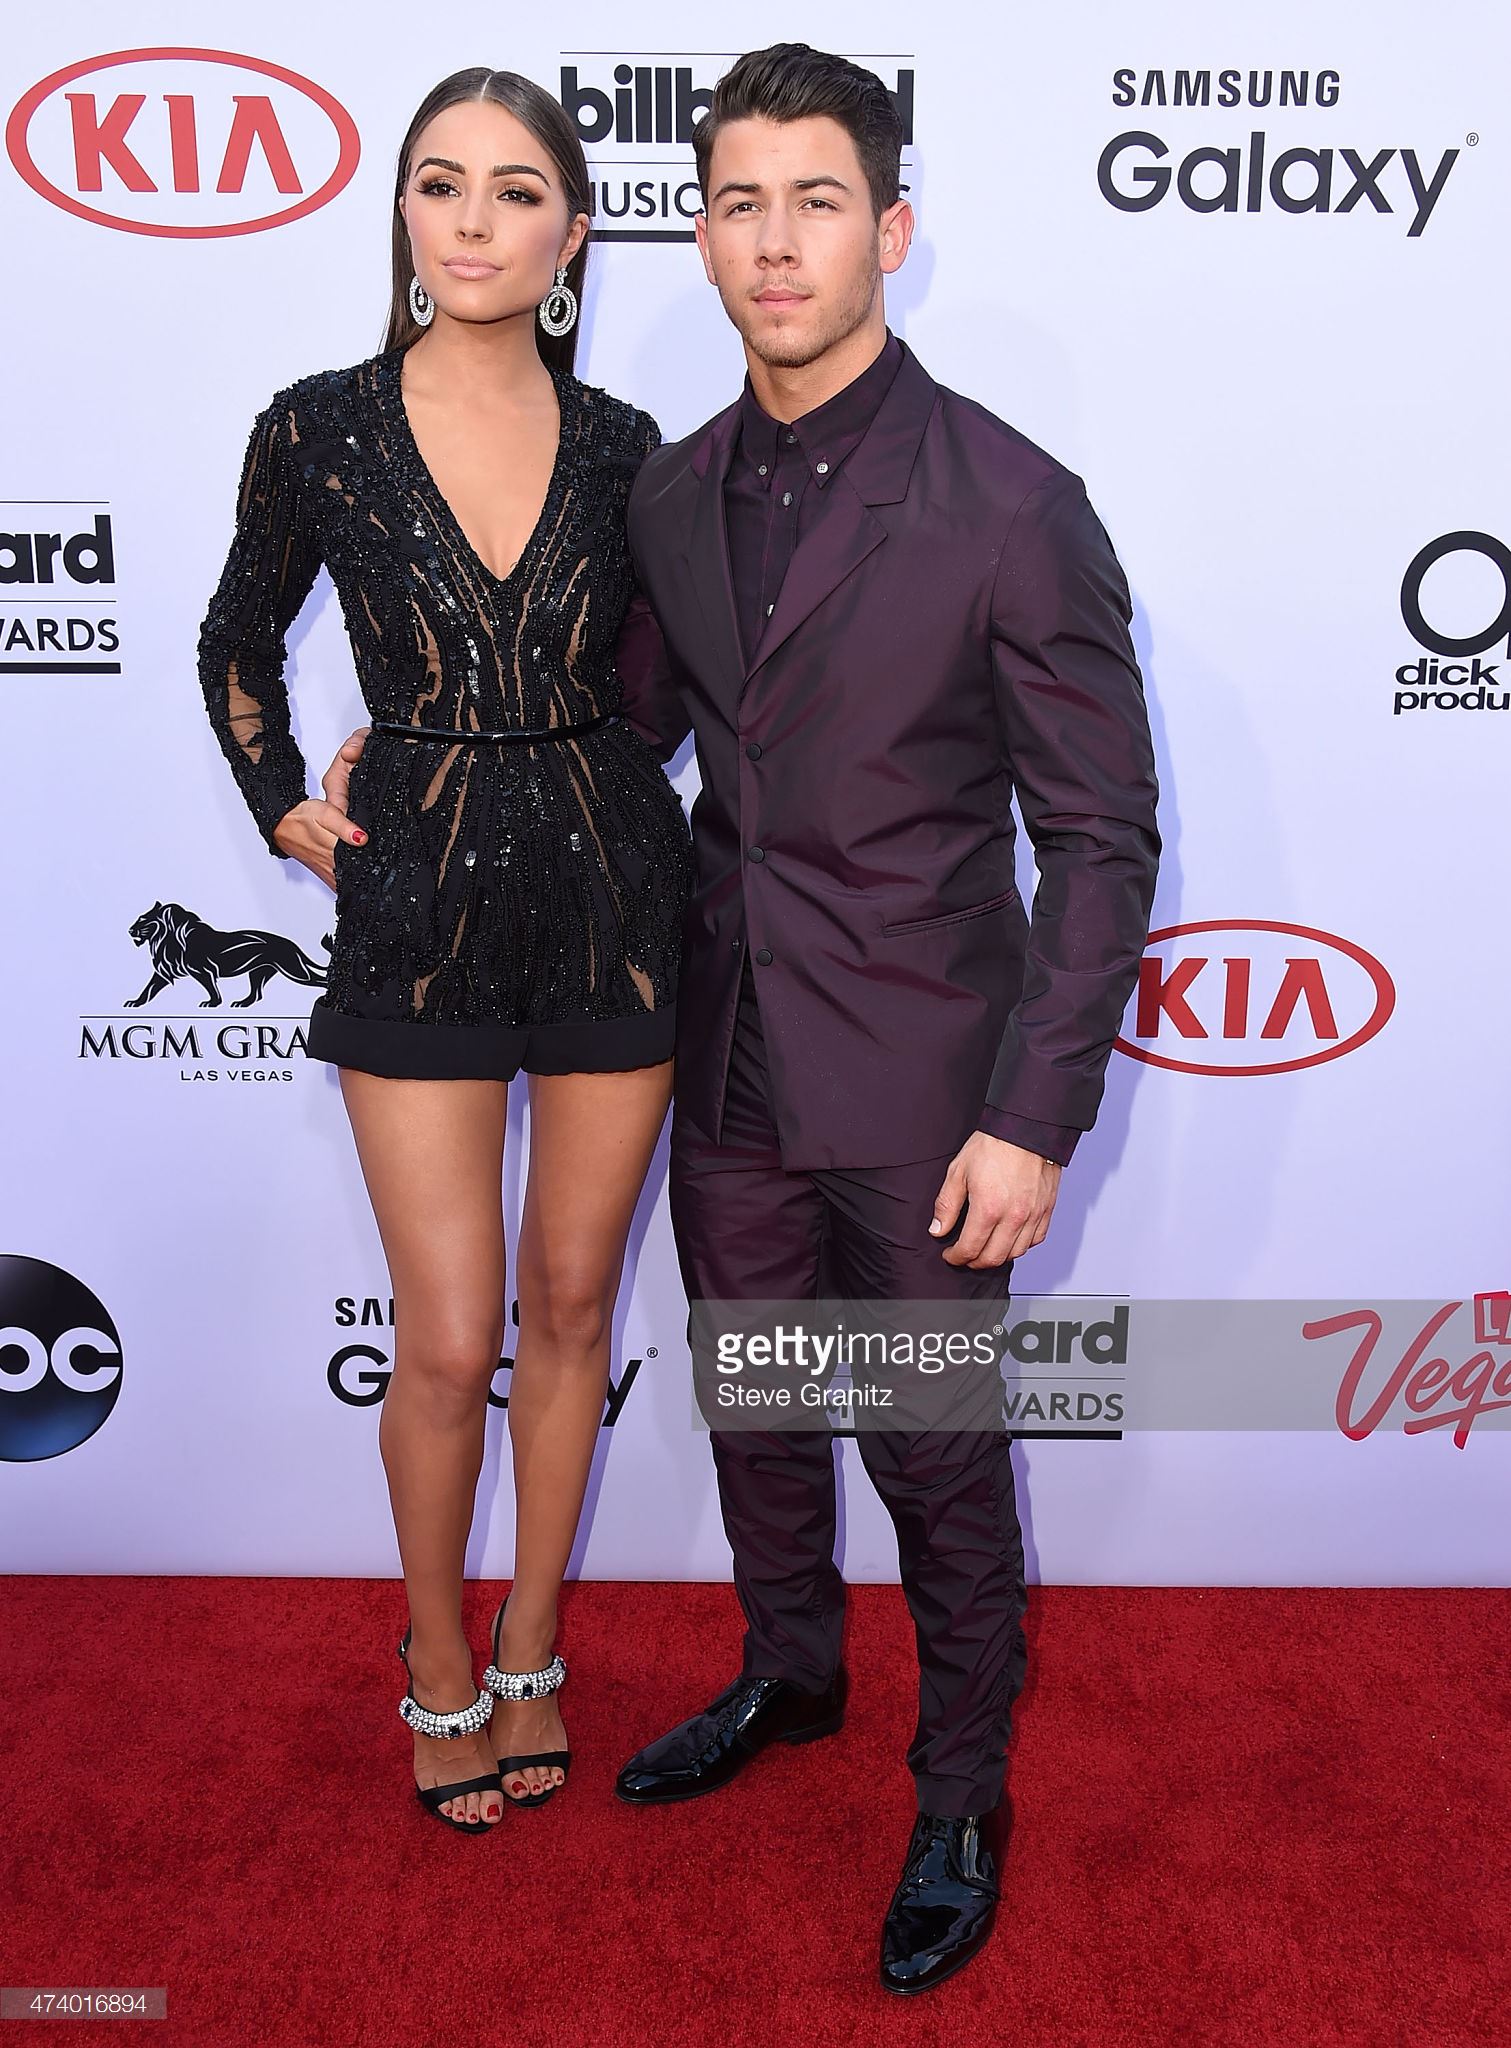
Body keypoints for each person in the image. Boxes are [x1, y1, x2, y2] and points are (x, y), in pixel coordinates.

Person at [323, 39, 1159, 1991]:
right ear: (697, 238)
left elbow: (1102, 836)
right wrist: (421, 743)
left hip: (933, 1079)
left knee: (932, 1449)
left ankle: (961, 1792)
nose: (777, 243)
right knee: (765, 1403)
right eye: (739, 204)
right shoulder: (674, 488)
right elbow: (617, 727)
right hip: (722, 1051)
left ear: (891, 230)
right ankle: (793, 1669)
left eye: (817, 202)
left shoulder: (1014, 502)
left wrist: (1032, 1113)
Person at [197, 67, 692, 1833]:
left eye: (516, 189)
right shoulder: (317, 426)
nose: (474, 220)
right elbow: (236, 631)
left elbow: (675, 683)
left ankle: (533, 1641)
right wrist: (281, 796)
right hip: (411, 908)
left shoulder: (632, 446)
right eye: (440, 183)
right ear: (403, 214)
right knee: (449, 1330)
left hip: (618, 906)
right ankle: (433, 1648)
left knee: (573, 1308)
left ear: (573, 233)